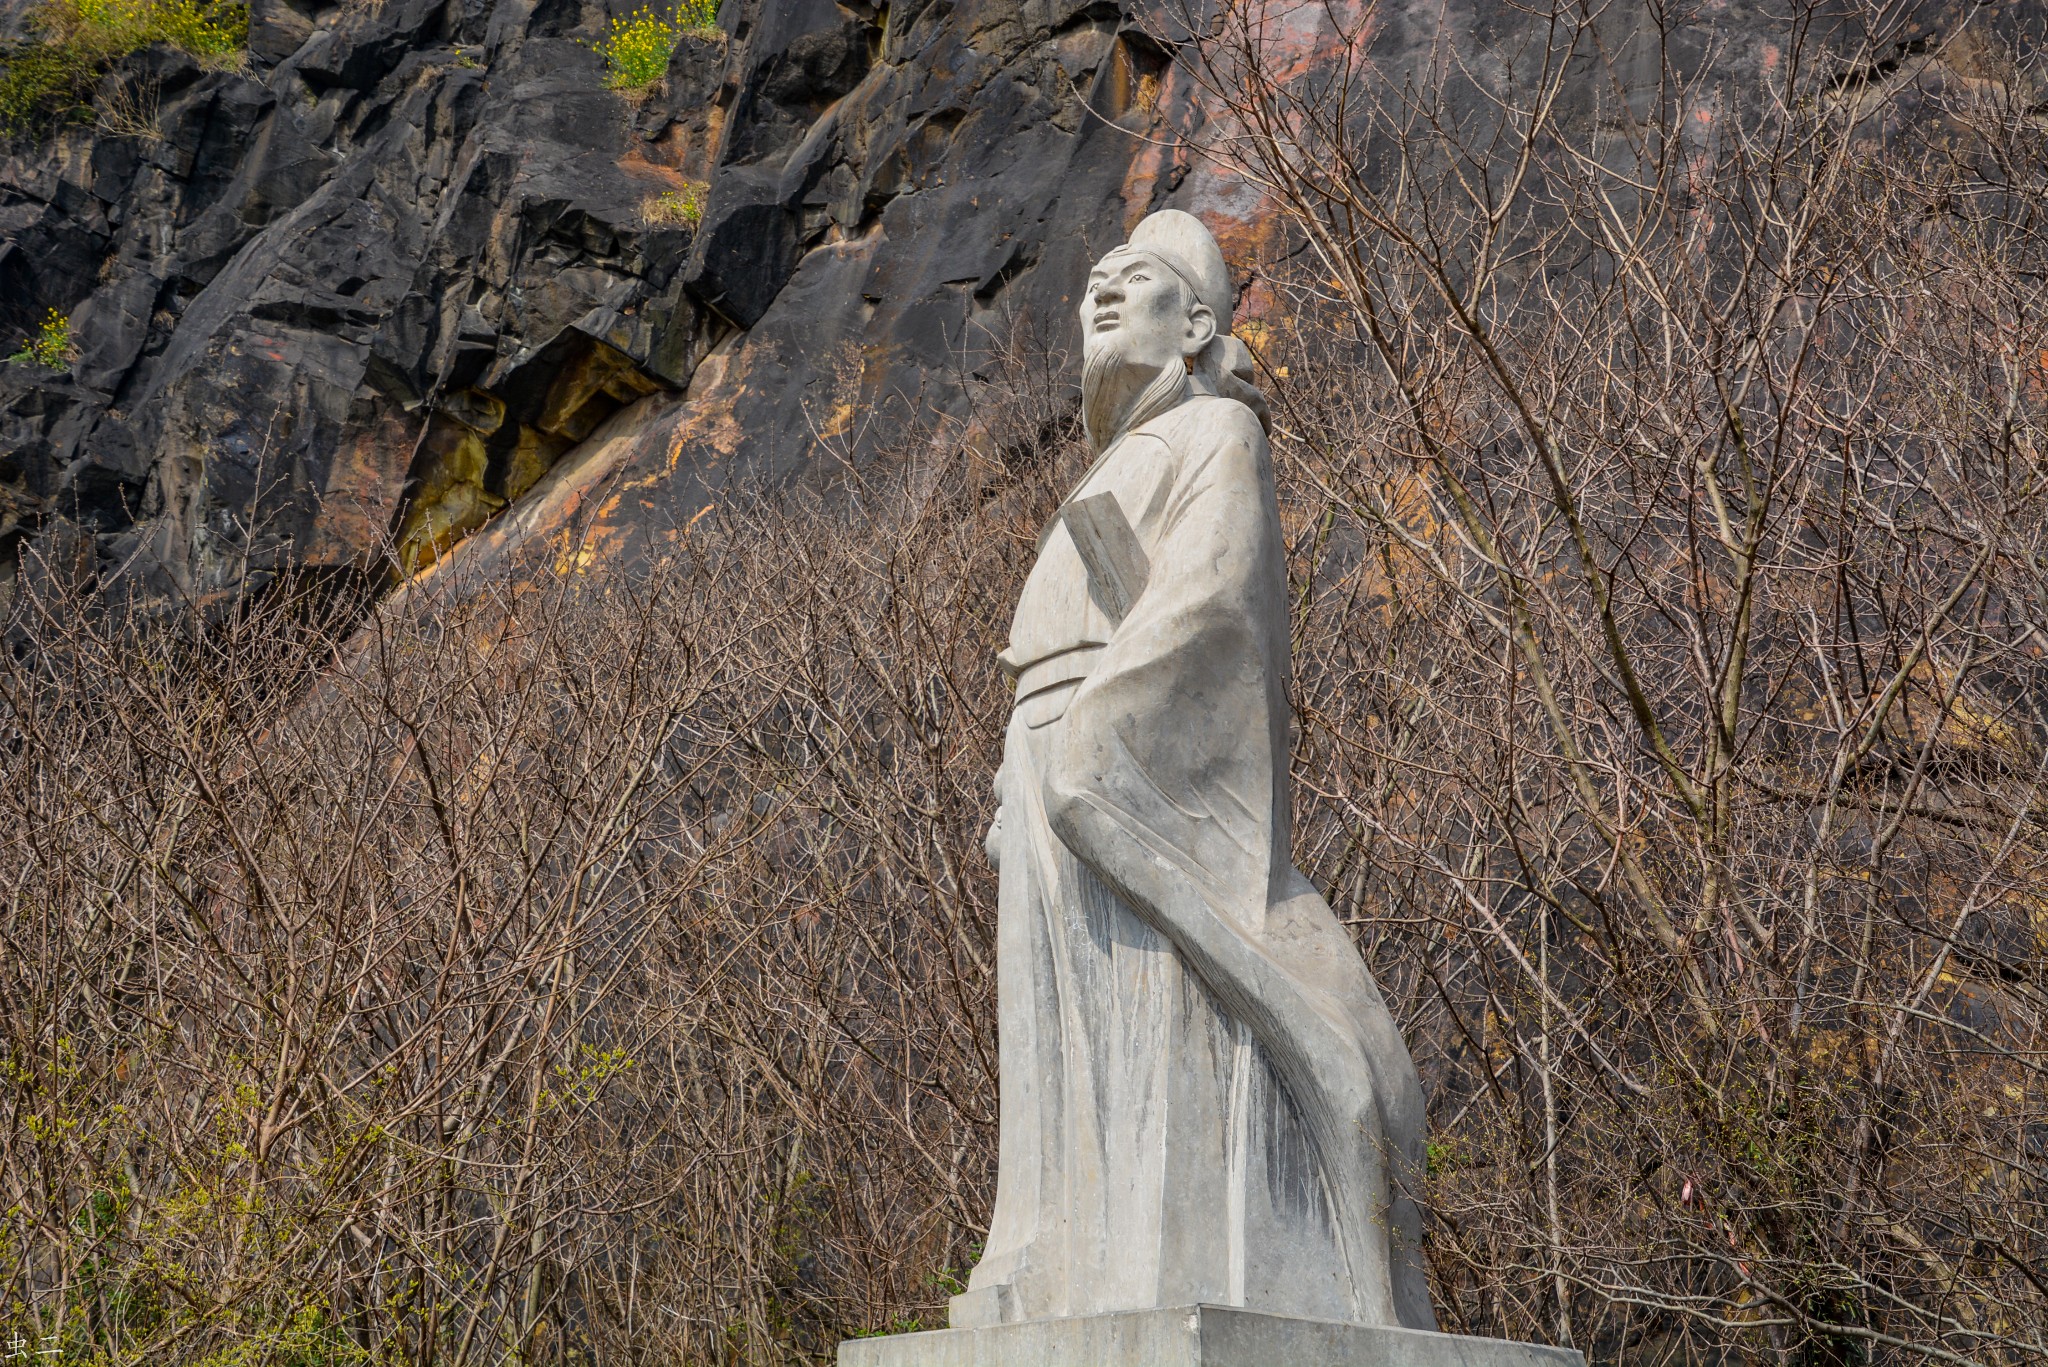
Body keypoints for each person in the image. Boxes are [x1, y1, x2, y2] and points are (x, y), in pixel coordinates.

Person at [951, 210, 1438, 1332]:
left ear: (1198, 324)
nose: (1102, 294)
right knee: (1055, 1047)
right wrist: (1019, 774)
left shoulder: (1217, 430)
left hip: (1122, 756)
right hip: (1051, 759)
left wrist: (1094, 743)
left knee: (1151, 1014)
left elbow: (1209, 602)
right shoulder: (1120, 455)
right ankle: (1052, 1249)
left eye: (1137, 280)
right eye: (1093, 282)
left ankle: (1154, 1261)